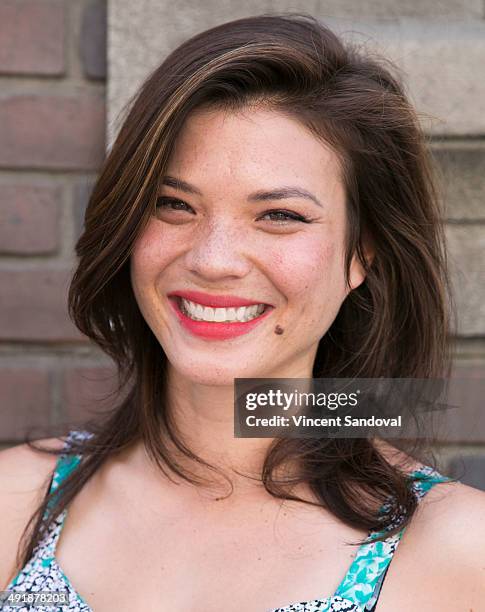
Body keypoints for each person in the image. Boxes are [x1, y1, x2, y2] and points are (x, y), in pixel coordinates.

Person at [1, 13, 484, 612]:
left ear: (361, 252)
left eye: (279, 215)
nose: (213, 260)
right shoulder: (13, 502)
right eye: (174, 204)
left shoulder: (458, 553)